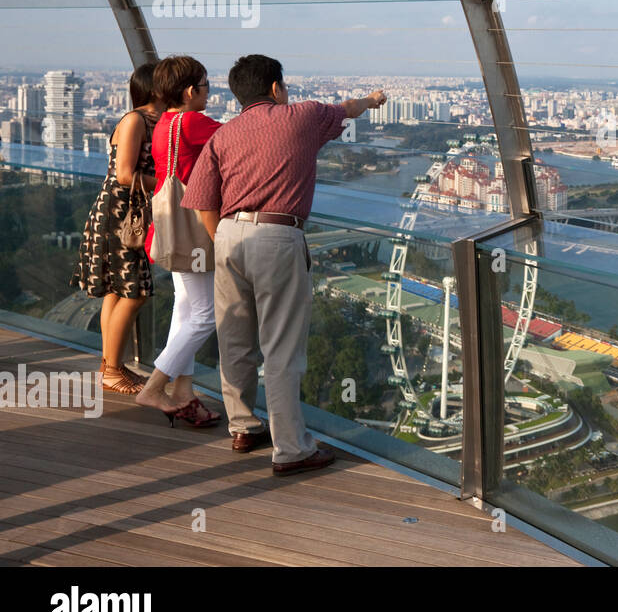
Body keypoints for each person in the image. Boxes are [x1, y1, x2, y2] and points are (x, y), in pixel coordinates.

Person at [183, 54, 385, 475]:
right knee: (281, 346)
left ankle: (243, 427)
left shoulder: (224, 135)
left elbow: (201, 198)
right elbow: (347, 109)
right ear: (276, 88)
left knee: (234, 340)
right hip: (278, 235)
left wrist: (221, 238)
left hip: (228, 235)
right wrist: (372, 99)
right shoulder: (303, 116)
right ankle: (291, 448)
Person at [136, 55, 223, 428]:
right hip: (194, 232)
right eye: (206, 87)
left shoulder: (164, 123)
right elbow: (242, 137)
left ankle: (184, 391)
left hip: (170, 230)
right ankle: (155, 387)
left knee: (186, 312)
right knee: (208, 314)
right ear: (190, 92)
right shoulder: (192, 122)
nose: (208, 94)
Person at [71, 62, 165, 395]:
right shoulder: (135, 120)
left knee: (116, 290)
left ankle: (110, 366)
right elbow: (125, 174)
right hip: (120, 216)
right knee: (135, 292)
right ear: (154, 88)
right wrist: (171, 184)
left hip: (130, 214)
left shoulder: (156, 120)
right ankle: (112, 369)